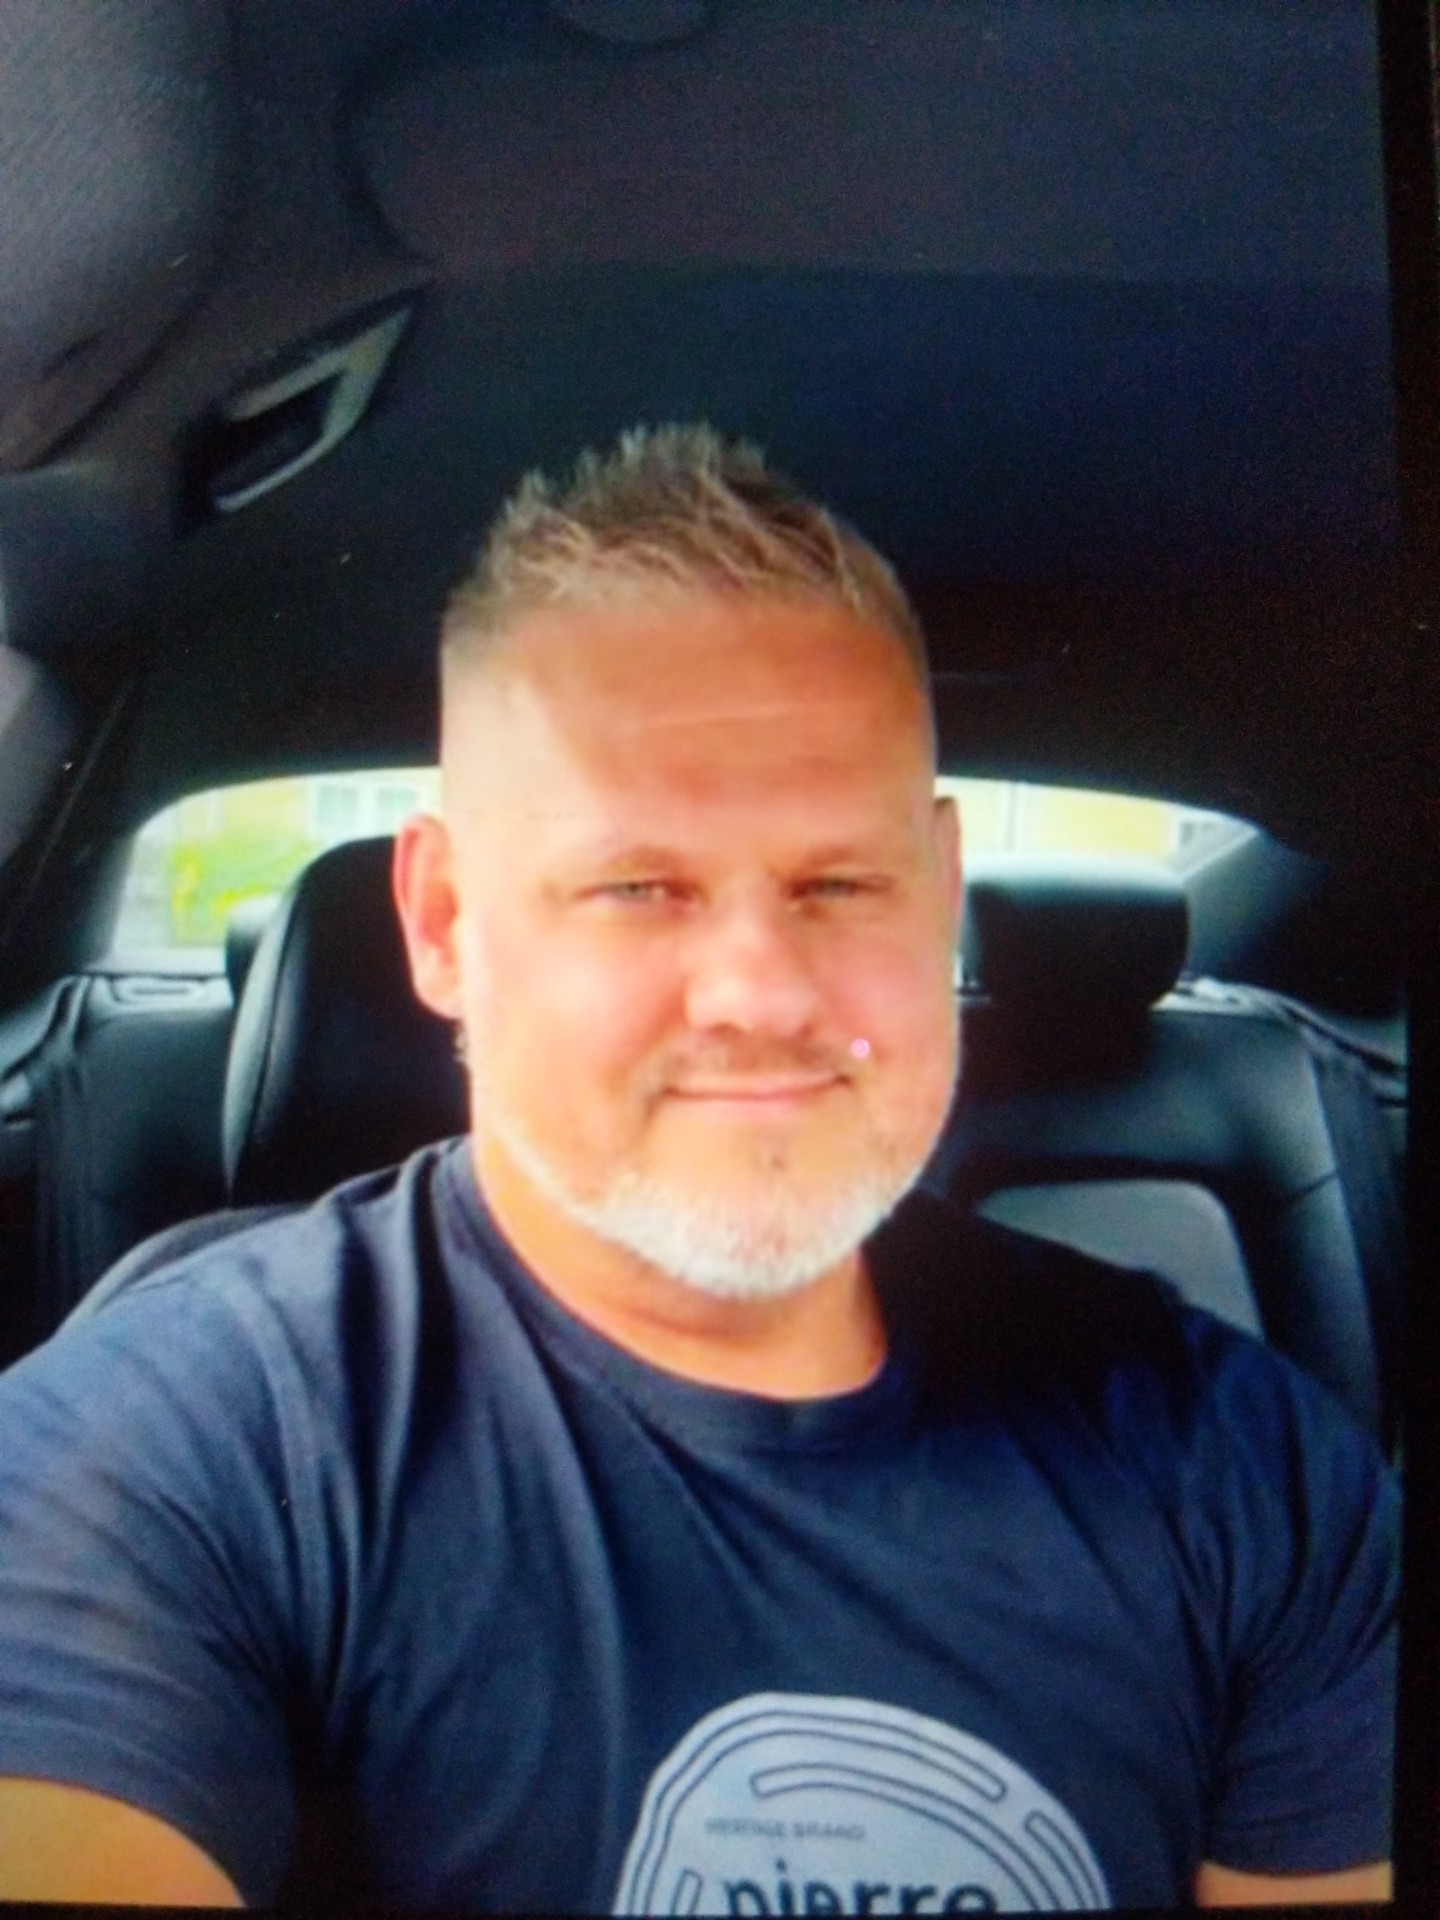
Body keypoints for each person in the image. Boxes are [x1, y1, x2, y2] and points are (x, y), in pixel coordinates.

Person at [0, 426, 1397, 1911]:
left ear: (938, 892)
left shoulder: (1248, 1464)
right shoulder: (162, 1454)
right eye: (637, 886)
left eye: (840, 883)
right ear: (446, 923)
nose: (762, 992)